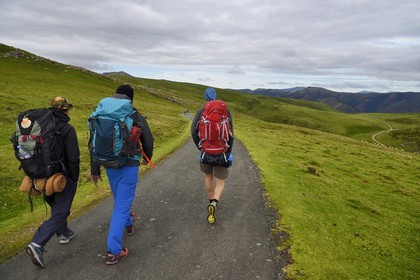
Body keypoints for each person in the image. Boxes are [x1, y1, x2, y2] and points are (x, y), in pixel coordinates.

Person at [90, 85, 154, 265]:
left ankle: (129, 222)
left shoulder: (101, 113)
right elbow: (148, 140)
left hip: (108, 164)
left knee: (121, 201)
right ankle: (114, 250)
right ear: (130, 98)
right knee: (122, 206)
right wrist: (146, 158)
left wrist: (95, 170)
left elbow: (93, 142)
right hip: (128, 165)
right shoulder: (134, 115)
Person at [25, 97, 80, 268]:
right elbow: (73, 157)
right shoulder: (67, 129)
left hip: (40, 176)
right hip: (61, 178)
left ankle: (64, 233)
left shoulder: (40, 126)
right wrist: (74, 177)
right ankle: (37, 244)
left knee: (57, 206)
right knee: (61, 211)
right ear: (65, 110)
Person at [191, 87, 234, 224]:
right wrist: (228, 152)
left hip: (206, 152)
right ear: (216, 96)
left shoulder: (201, 112)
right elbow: (231, 135)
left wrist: (200, 147)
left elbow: (193, 131)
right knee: (220, 181)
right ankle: (215, 203)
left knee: (208, 176)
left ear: (205, 97)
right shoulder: (225, 112)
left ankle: (210, 201)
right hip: (222, 152)